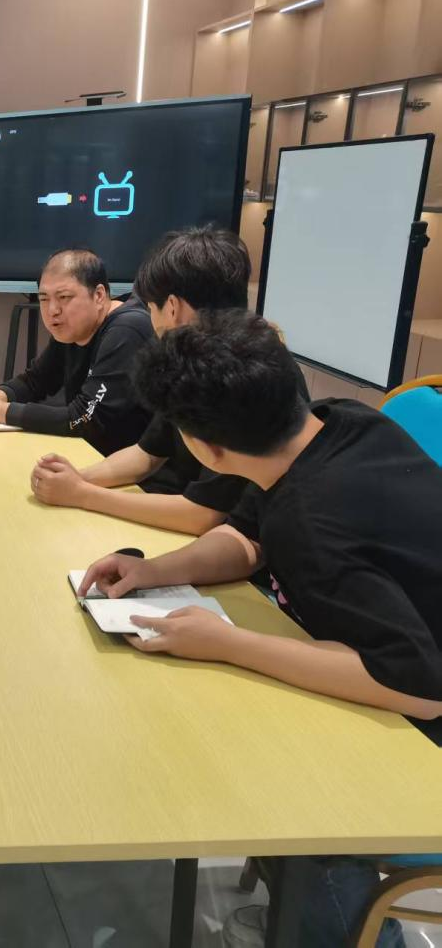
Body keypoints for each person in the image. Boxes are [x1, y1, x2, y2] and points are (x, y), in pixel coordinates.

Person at [78, 311, 442, 948]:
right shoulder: (336, 422)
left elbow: (417, 686)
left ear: (208, 449)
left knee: (298, 814)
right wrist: (154, 570)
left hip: (422, 721)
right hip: (395, 644)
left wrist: (230, 644)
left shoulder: (313, 523)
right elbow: (249, 536)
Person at [30, 227, 281, 534]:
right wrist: (76, 479)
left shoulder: (245, 375)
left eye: (149, 307)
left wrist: (83, 494)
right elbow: (147, 454)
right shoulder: (193, 361)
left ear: (172, 308)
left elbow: (203, 515)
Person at [0, 248, 153, 456]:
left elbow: (84, 418)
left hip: (134, 468)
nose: (53, 310)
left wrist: (1, 411)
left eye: (64, 297)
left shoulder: (127, 329)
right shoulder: (74, 328)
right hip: (90, 453)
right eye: (44, 298)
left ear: (99, 296)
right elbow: (36, 380)